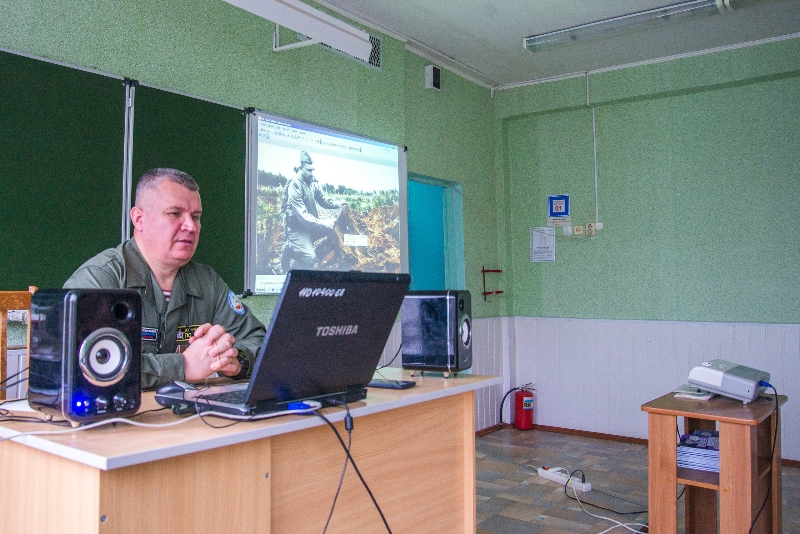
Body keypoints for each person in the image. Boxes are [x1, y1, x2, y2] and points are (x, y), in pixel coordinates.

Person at [64, 168, 266, 389]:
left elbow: (260, 341)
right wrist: (183, 366)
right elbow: (78, 362)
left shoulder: (208, 282)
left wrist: (237, 360)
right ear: (139, 219)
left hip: (188, 416)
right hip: (115, 418)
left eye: (196, 217)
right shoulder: (101, 279)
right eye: (175, 214)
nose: (190, 226)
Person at [280, 151, 344, 273]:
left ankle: (305, 245)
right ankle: (289, 249)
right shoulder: (295, 185)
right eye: (309, 170)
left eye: (313, 169)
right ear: (301, 168)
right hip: (296, 229)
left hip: (309, 226)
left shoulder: (313, 181)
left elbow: (324, 200)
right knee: (310, 259)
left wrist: (338, 203)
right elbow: (303, 217)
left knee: (332, 227)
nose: (312, 173)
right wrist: (323, 222)